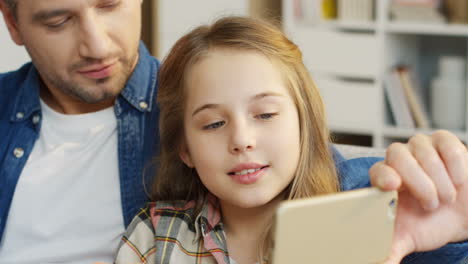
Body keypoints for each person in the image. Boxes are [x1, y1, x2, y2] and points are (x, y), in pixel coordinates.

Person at [114, 16, 468, 264]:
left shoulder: (369, 217)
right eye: (214, 123)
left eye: (265, 115)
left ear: (303, 122)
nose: (242, 140)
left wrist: (458, 235)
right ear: (185, 150)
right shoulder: (155, 236)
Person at [0, 0, 160, 263]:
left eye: (110, 5)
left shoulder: (201, 113)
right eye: (58, 22)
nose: (98, 47)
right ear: (12, 23)